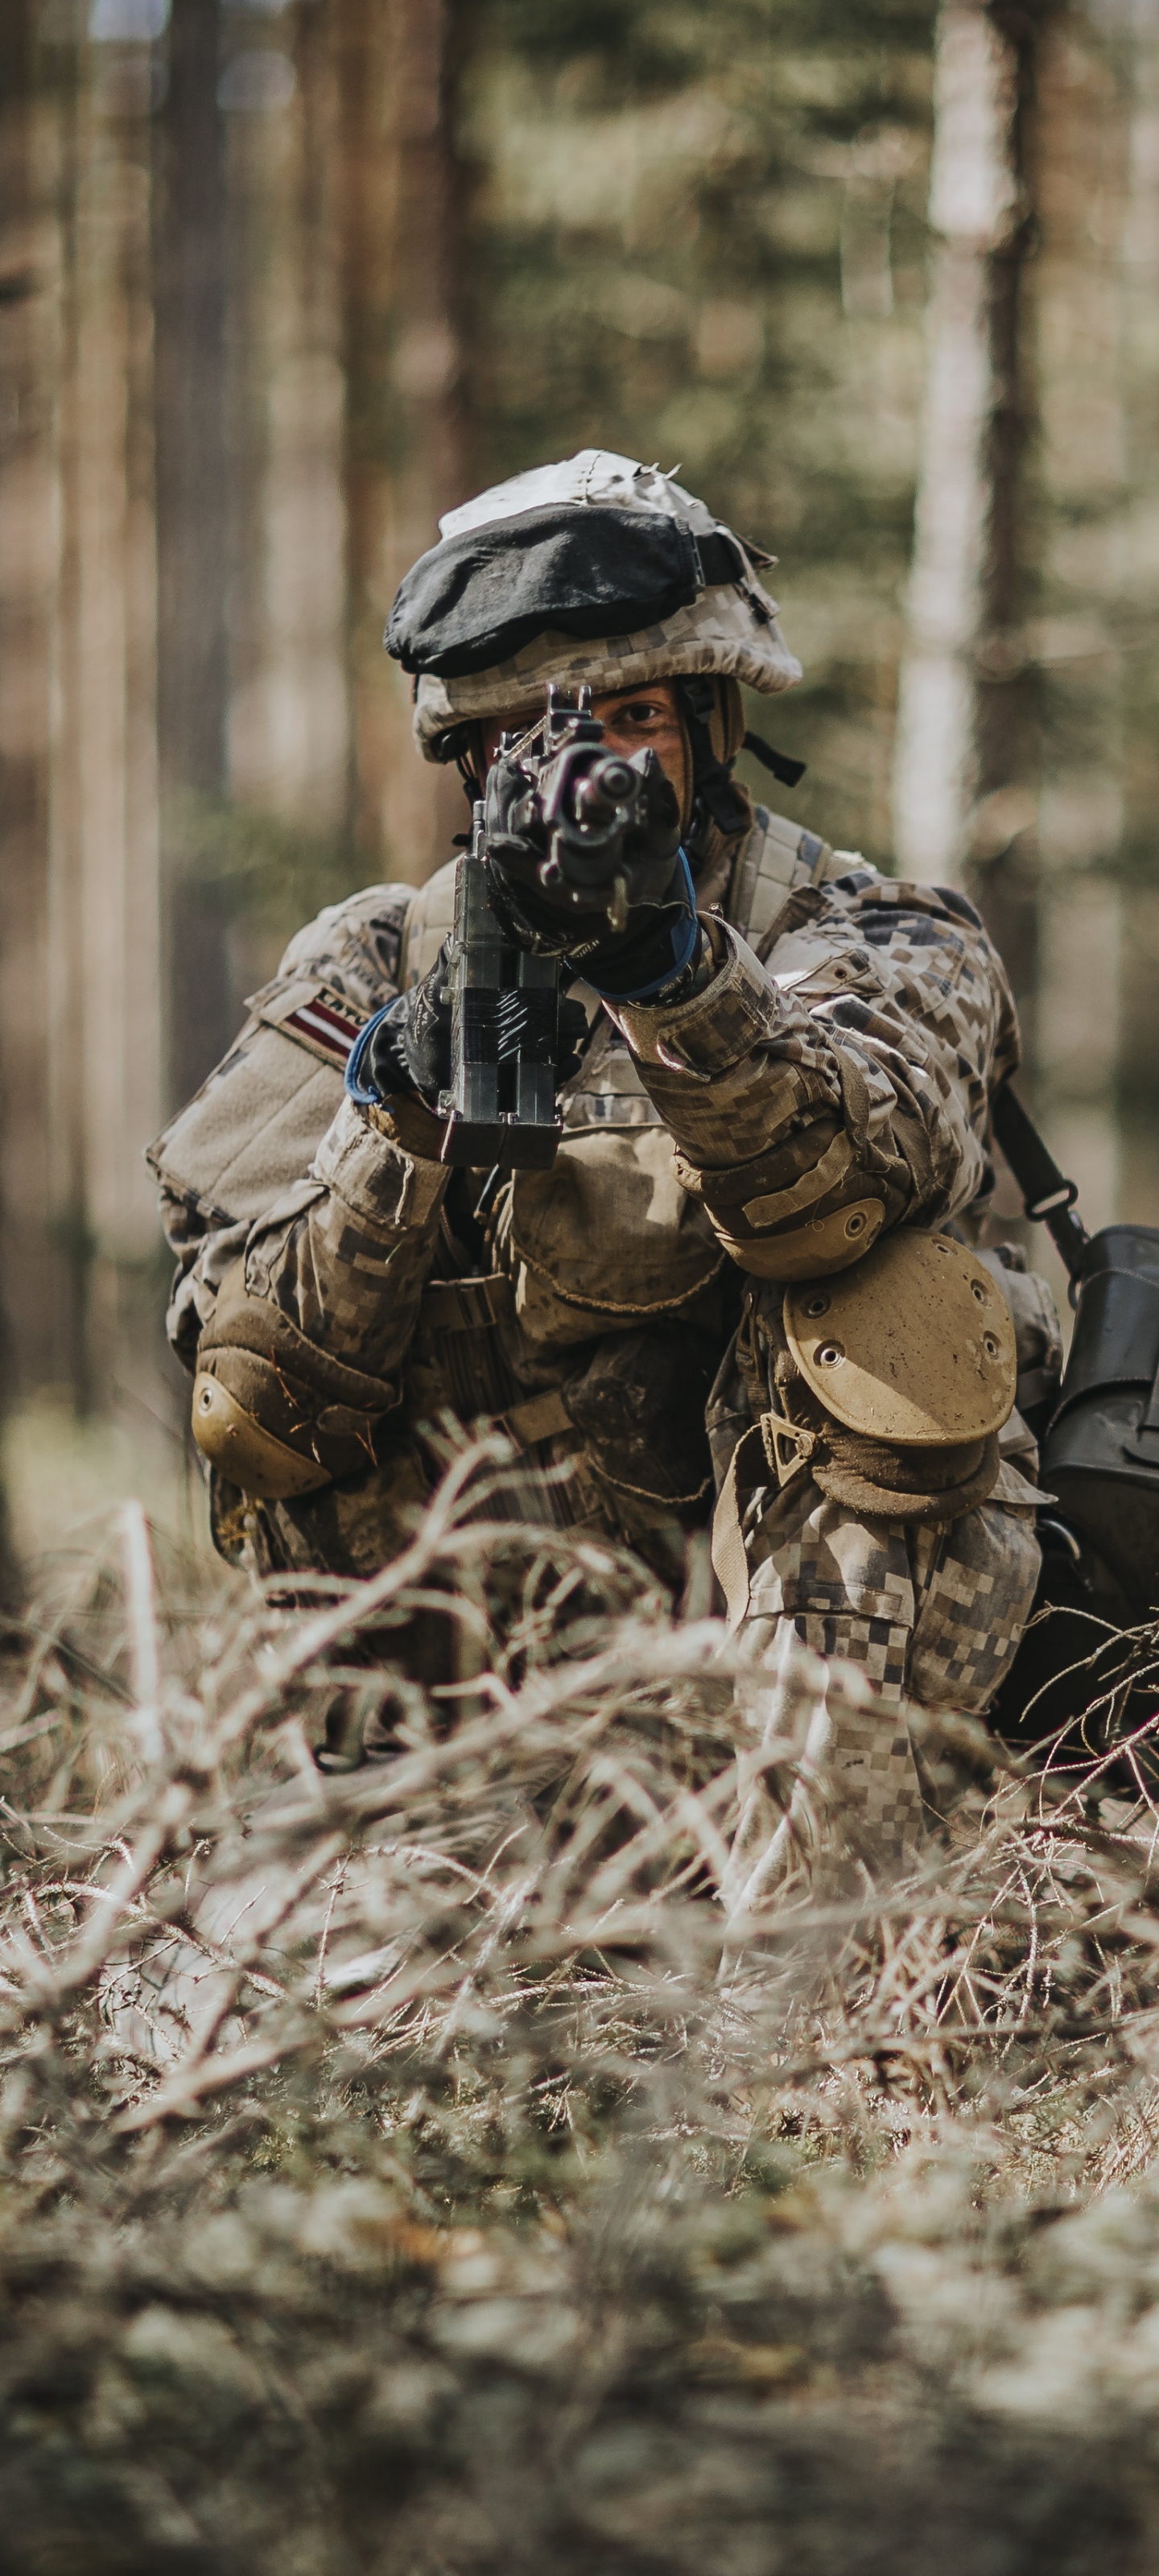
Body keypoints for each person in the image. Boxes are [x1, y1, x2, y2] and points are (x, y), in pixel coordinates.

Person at [150, 450, 1058, 1839]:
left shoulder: (873, 933)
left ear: (710, 721)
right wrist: (405, 1116)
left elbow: (837, 1196)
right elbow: (257, 1399)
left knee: (889, 1317)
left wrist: (677, 976)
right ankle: (436, 1889)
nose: (587, 771)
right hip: (485, 1731)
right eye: (531, 737)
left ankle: (824, 1950)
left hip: (803, 1699)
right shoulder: (378, 958)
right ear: (472, 762)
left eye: (633, 717)